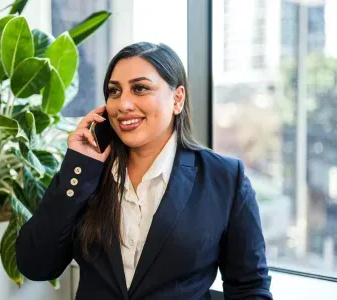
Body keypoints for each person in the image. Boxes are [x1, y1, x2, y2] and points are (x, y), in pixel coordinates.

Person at [16, 42, 273, 300]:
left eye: (140, 88)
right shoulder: (87, 172)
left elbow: (250, 288)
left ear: (177, 98)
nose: (123, 104)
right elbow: (36, 265)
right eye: (114, 91)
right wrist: (78, 166)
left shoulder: (225, 178)